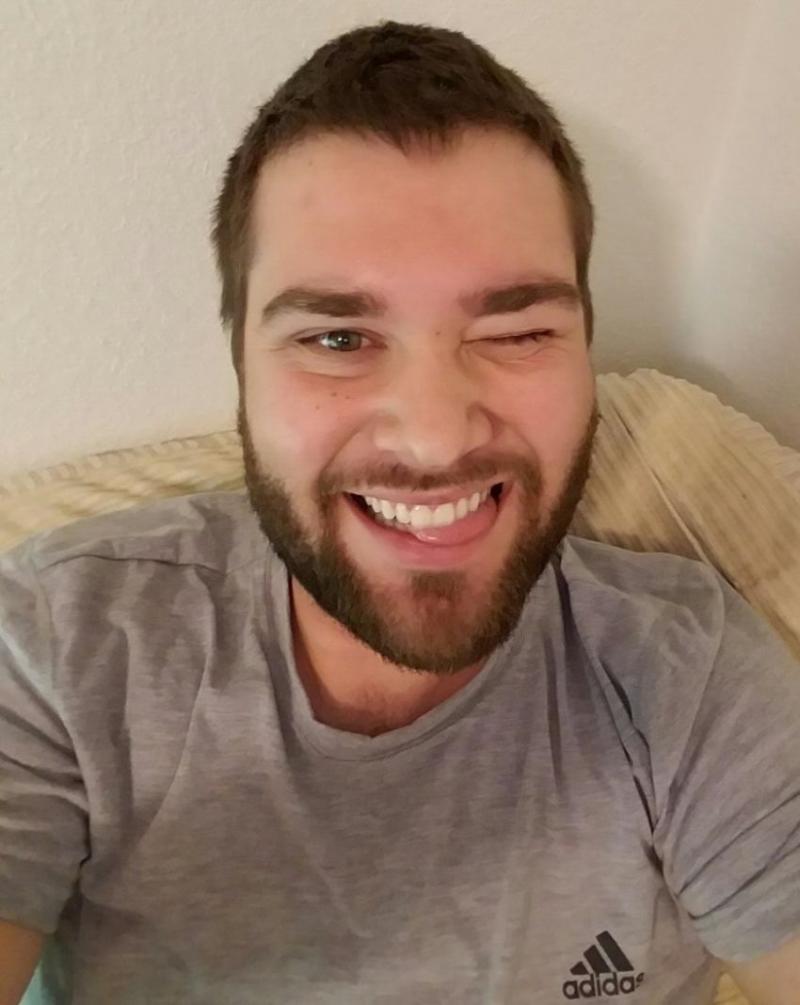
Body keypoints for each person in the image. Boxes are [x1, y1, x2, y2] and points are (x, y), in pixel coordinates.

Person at [1, 19, 798, 1005]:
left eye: (518, 331)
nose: (433, 438)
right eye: (338, 338)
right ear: (242, 369)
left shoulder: (692, 681)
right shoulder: (56, 647)